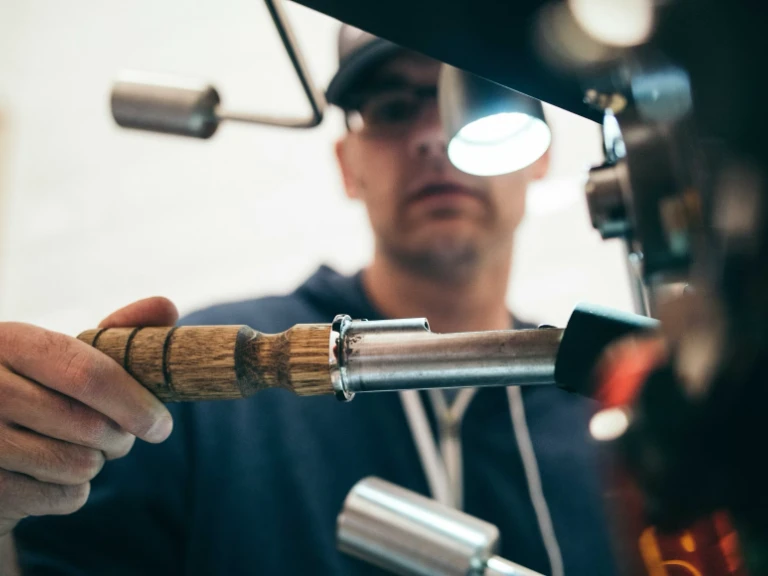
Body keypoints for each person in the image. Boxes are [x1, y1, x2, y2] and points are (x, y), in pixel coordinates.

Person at [1, 26, 616, 575]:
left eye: (478, 101)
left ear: (540, 153)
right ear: (348, 166)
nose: (433, 136)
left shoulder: (607, 413)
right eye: (393, 108)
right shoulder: (202, 391)